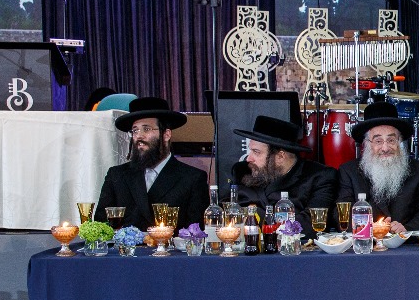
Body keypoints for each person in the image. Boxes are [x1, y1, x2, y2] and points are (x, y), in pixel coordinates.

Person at [94, 97, 209, 231]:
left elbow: (196, 232)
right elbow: (101, 226)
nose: (139, 136)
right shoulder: (117, 175)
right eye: (135, 130)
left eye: (147, 129)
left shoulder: (193, 178)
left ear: (166, 134)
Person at [336, 101, 419, 233]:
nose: (385, 148)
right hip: (364, 242)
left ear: (400, 141)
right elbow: (341, 215)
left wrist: (406, 229)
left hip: (407, 242)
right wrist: (368, 229)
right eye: (378, 141)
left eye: (391, 140)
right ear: (367, 143)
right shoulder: (349, 171)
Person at [231, 115, 338, 230]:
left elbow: (312, 222)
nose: (248, 158)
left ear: (280, 156)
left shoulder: (320, 177)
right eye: (250, 150)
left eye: (256, 152)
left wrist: (260, 221)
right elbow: (227, 210)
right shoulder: (242, 170)